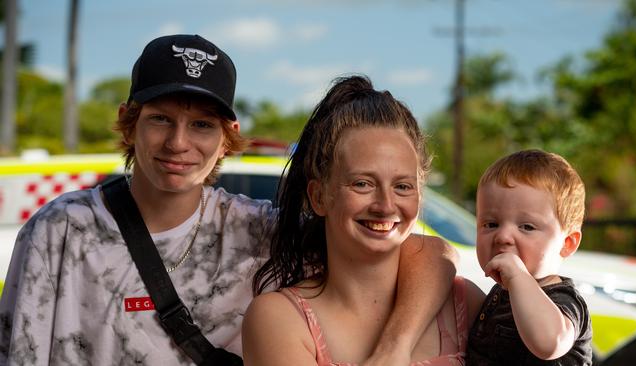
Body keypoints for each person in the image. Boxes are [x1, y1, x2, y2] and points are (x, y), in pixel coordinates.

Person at [0, 35, 457, 365]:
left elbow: (425, 251)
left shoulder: (256, 229)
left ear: (227, 138)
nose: (178, 143)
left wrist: (394, 346)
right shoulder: (61, 229)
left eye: (202, 125)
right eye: (161, 119)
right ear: (128, 121)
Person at [242, 75, 484, 365]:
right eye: (362, 184)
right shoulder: (280, 319)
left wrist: (396, 345)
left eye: (403, 186)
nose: (385, 205)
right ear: (319, 197)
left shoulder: (463, 303)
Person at [466, 149, 593, 365]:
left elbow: (549, 343)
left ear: (567, 243)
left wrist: (517, 277)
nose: (503, 236)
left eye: (526, 227)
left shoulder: (563, 299)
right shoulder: (499, 295)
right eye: (491, 224)